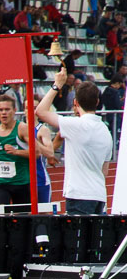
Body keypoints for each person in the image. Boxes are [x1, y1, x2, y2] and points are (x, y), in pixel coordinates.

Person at [37, 69, 113, 215]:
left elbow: (40, 111)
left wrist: (56, 85)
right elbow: (105, 171)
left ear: (75, 102)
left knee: (77, 238)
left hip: (79, 194)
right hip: (99, 194)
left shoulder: (75, 125)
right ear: (97, 102)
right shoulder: (106, 131)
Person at [0, 93, 35, 211]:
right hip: (1, 183)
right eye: (1, 110)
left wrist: (16, 152)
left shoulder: (22, 128)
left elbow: (37, 153)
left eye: (7, 109)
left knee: (23, 221)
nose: (4, 113)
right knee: (0, 217)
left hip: (21, 182)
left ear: (14, 110)